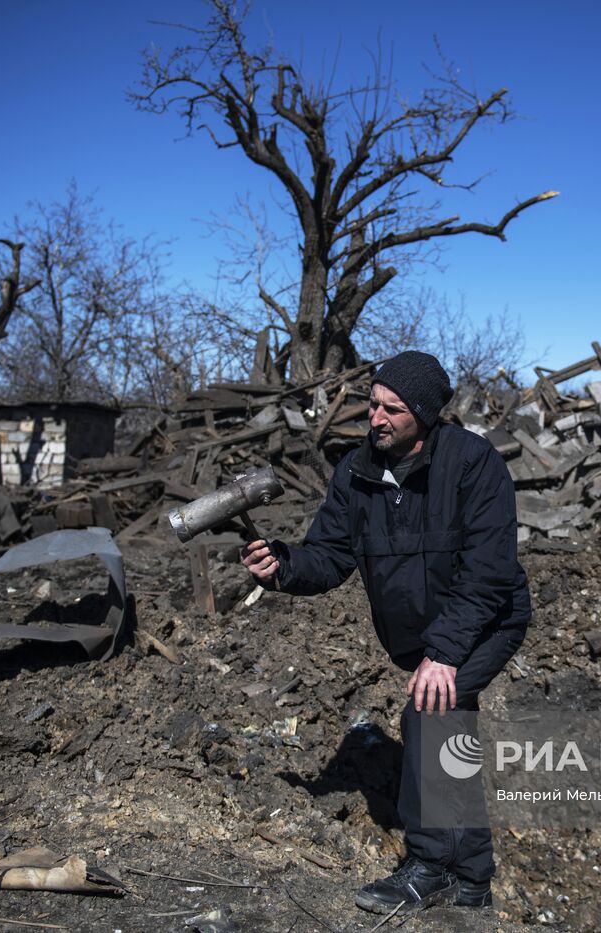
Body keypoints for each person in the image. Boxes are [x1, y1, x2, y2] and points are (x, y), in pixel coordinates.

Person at [241, 350, 531, 914]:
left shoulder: (471, 463)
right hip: (423, 635)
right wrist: (283, 566)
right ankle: (471, 878)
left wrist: (445, 654)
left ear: (423, 415)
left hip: (486, 620)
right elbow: (328, 556)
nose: (376, 417)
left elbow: (488, 572)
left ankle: (430, 867)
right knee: (444, 725)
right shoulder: (357, 472)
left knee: (431, 714)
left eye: (392, 409)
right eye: (372, 404)